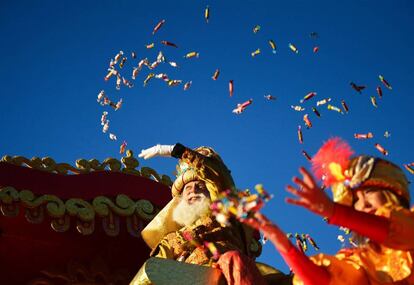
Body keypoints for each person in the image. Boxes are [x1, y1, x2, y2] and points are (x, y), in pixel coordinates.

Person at [242, 137, 413, 285]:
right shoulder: (361, 261)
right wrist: (285, 247)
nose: (363, 206)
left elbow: (398, 230)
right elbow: (328, 281)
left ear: (391, 192)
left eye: (368, 193)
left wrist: (334, 212)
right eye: (355, 203)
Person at [130, 143, 263, 284]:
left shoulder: (223, 217)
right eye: (187, 188)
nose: (193, 191)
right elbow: (155, 271)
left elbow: (218, 177)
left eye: (200, 186)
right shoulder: (171, 240)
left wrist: (176, 151)